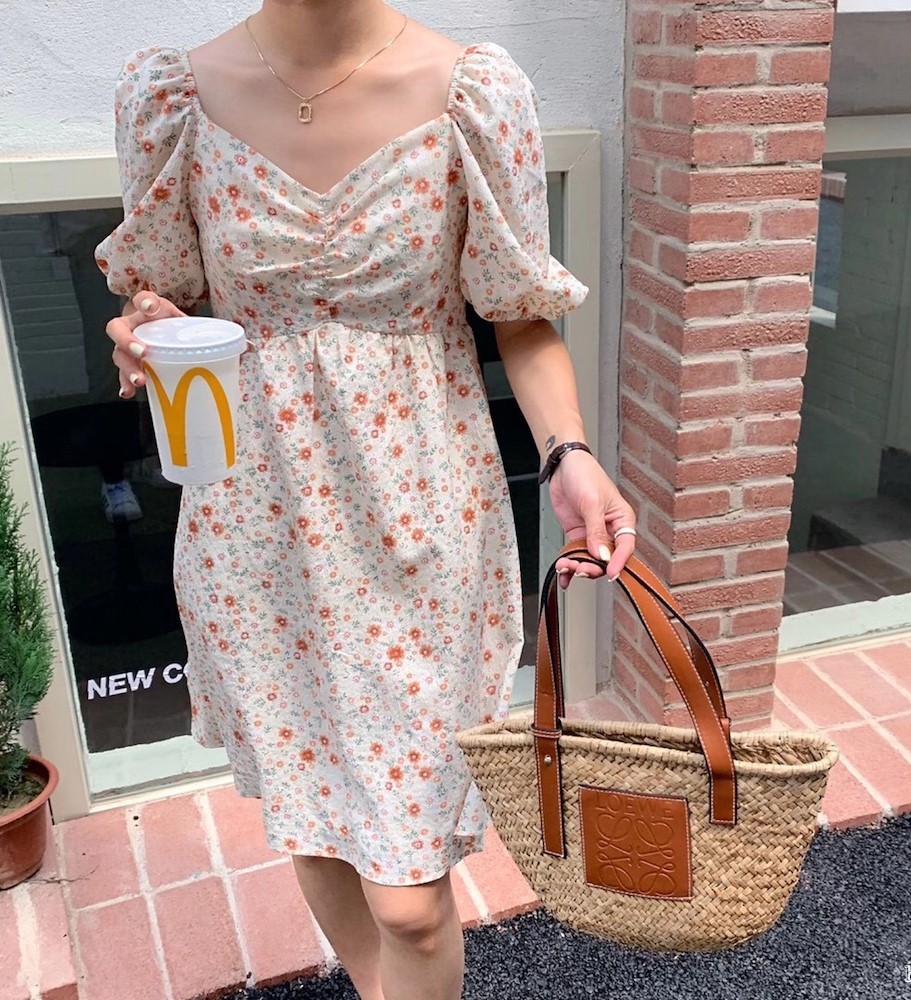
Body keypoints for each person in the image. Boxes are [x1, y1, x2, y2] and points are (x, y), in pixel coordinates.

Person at [97, 3, 636, 998]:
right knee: (315, 810)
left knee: (411, 904)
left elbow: (518, 314)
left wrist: (568, 451)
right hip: (254, 527)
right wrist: (145, 330)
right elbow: (161, 294)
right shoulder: (171, 98)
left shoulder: (474, 94)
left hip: (422, 524)